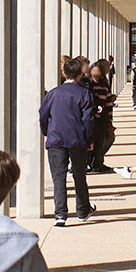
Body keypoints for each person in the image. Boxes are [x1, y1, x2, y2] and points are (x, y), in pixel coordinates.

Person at [40, 55, 97, 227]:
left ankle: (60, 214)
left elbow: (43, 115)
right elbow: (88, 120)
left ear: (64, 74)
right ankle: (82, 210)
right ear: (80, 74)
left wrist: (47, 132)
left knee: (59, 177)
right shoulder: (85, 93)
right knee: (79, 176)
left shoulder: (52, 94)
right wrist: (88, 139)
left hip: (56, 139)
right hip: (77, 140)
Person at [87, 62, 117, 171]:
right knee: (92, 142)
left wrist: (109, 117)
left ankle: (97, 163)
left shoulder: (104, 84)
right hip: (91, 118)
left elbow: (108, 100)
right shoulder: (87, 85)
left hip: (102, 118)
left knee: (102, 140)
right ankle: (91, 163)